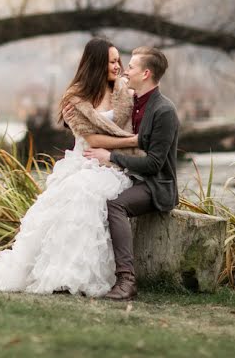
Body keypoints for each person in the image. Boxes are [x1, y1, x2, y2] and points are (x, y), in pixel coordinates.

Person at [0, 38, 141, 297]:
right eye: (113, 61)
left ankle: (80, 273)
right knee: (75, 193)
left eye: (119, 60)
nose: (118, 66)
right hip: (83, 160)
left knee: (89, 195)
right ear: (97, 63)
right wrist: (132, 141)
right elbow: (91, 140)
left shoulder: (123, 92)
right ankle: (61, 274)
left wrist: (124, 150)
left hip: (113, 165)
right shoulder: (74, 99)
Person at [84, 46, 179, 301]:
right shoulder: (135, 101)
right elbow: (106, 109)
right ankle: (85, 272)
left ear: (146, 73)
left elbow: (154, 165)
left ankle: (127, 280)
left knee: (115, 206)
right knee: (88, 193)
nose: (126, 70)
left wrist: (111, 156)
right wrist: (76, 112)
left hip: (156, 185)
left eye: (132, 67)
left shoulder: (164, 111)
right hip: (132, 177)